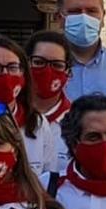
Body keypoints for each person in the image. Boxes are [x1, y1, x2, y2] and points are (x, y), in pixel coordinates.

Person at [0, 34, 58, 174]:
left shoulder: (37, 123)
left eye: (13, 67)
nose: (5, 74)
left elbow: (48, 177)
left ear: (23, 72)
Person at [26, 29, 75, 169]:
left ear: (68, 72)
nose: (47, 71)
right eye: (39, 62)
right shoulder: (8, 117)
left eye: (57, 65)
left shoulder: (78, 122)